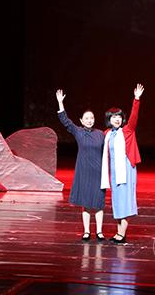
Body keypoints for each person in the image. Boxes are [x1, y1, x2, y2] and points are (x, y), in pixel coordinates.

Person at [56, 89, 106, 241]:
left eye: (92, 118)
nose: (90, 120)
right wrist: (60, 103)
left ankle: (99, 231)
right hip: (84, 171)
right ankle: (86, 231)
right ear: (81, 120)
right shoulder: (78, 131)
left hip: (98, 172)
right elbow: (66, 121)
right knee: (86, 203)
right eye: (87, 118)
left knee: (98, 202)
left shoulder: (101, 134)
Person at [101, 83, 144, 244]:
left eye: (119, 116)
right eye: (113, 117)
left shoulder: (127, 130)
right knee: (118, 202)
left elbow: (134, 117)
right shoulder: (107, 134)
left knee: (125, 201)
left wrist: (136, 99)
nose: (117, 119)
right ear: (109, 119)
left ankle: (122, 234)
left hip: (126, 170)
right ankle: (118, 232)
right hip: (113, 172)